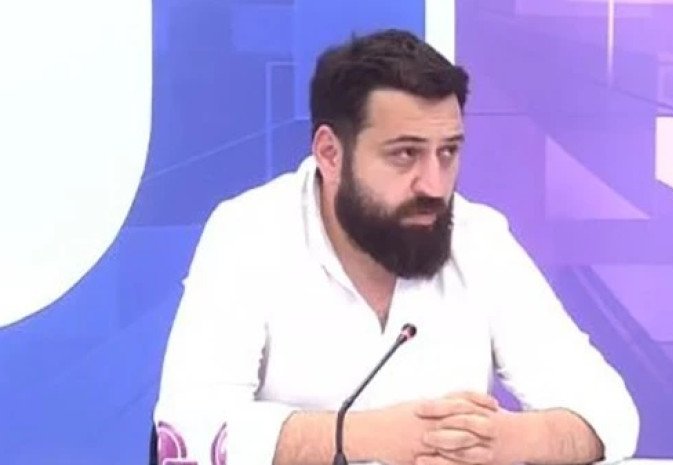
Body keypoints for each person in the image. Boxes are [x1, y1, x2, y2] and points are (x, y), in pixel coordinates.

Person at [153, 29, 640, 465]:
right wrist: (372, 438)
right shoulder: (249, 233)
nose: (435, 185)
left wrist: (500, 441)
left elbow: (612, 414)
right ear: (330, 154)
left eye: (448, 152)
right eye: (405, 154)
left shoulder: (478, 238)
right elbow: (187, 436)